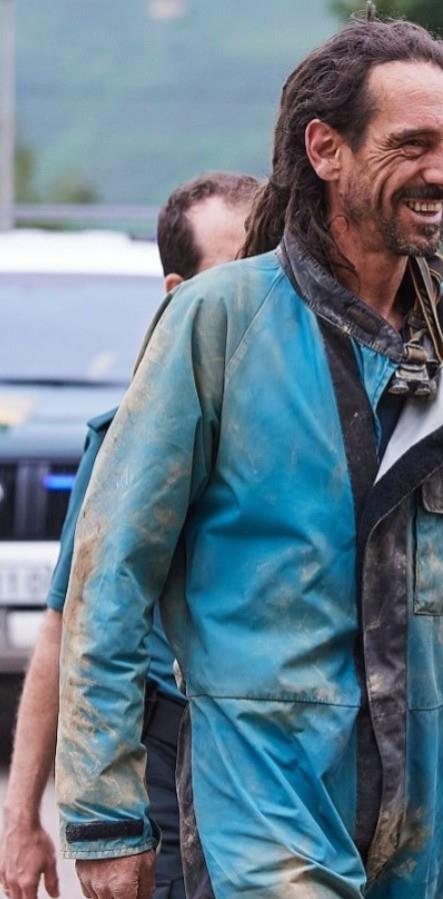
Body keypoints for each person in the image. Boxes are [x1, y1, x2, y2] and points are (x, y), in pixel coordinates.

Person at [56, 14, 443, 899]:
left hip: (419, 812)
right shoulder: (218, 325)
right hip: (263, 804)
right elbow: (111, 581)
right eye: (412, 144)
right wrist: (103, 814)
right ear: (325, 148)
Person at [0, 171, 259, 899]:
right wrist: (23, 815)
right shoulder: (129, 444)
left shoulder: (337, 435)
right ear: (178, 295)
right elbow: (66, 627)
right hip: (166, 754)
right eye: (235, 273)